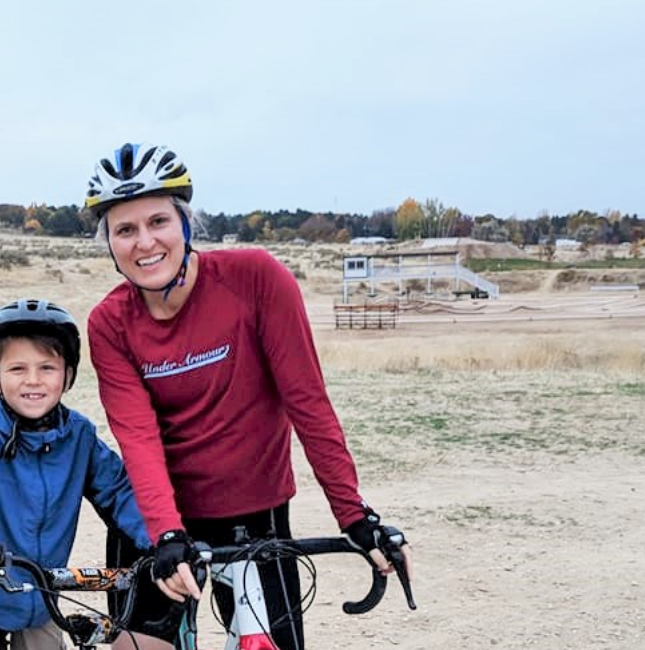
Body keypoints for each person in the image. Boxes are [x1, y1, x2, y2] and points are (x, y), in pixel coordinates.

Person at [82, 143, 410, 650]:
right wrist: (167, 535)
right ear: (110, 242)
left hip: (253, 516)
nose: (145, 242)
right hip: (158, 520)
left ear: (185, 224)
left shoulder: (256, 279)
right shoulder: (110, 323)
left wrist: (354, 516)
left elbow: (309, 405)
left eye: (158, 222)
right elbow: (138, 438)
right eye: (125, 230)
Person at [0, 299, 156, 650]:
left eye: (47, 368)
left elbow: (119, 492)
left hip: (43, 599)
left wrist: (160, 538)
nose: (33, 380)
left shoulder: (80, 437)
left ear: (69, 376)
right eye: (17, 369)